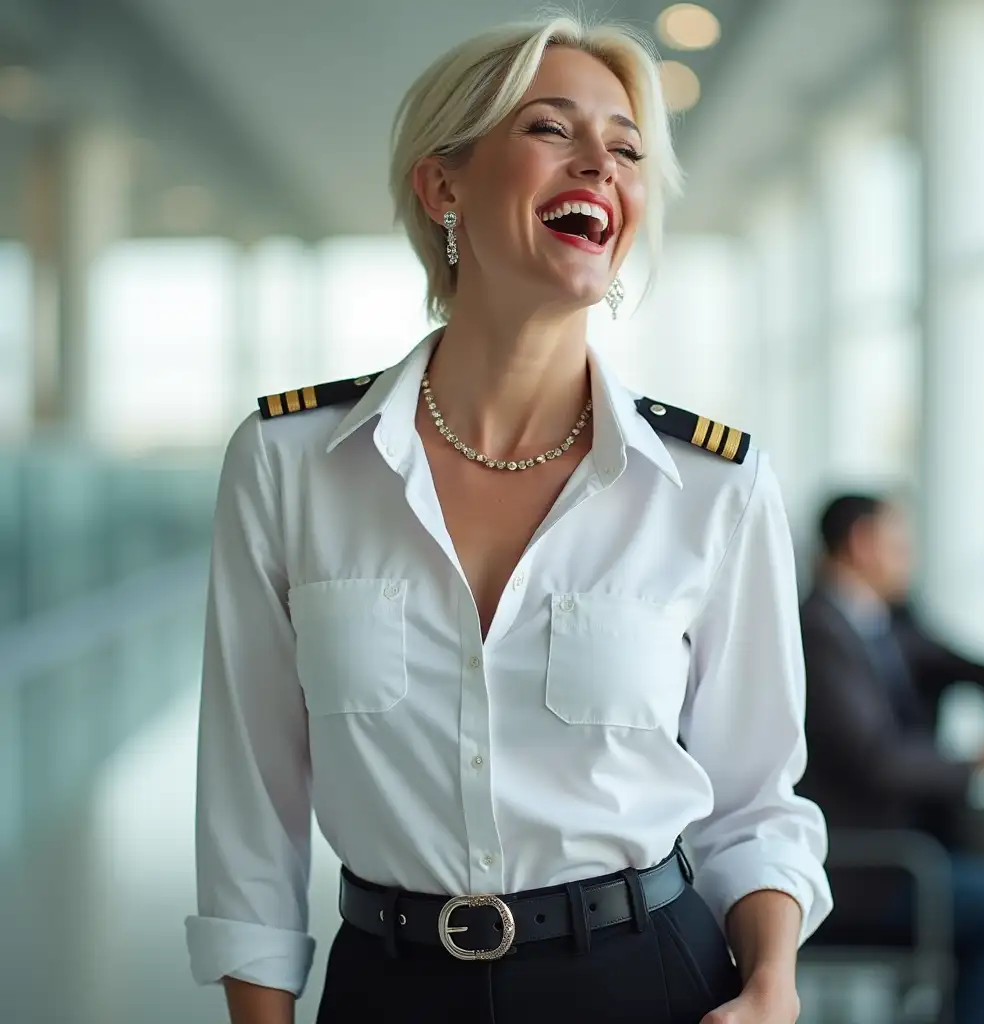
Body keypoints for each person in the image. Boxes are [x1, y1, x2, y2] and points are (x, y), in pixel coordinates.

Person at [184, 16, 832, 1024]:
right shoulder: (288, 462)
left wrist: (771, 988)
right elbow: (248, 807)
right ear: (442, 186)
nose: (599, 166)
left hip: (648, 981)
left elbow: (756, 800)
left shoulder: (713, 485)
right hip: (387, 989)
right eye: (551, 128)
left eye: (625, 148)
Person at [799, 493, 984, 1024]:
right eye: (899, 544)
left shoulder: (879, 621)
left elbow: (938, 658)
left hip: (901, 852)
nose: (910, 557)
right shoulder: (820, 631)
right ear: (861, 543)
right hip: (864, 870)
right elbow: (877, 761)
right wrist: (982, 761)